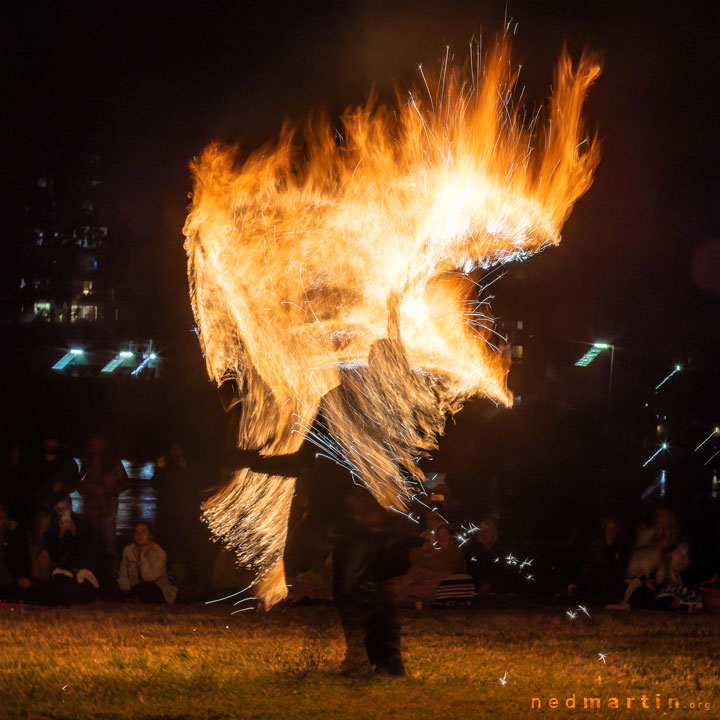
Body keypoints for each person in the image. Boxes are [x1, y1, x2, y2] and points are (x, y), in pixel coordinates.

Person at [79, 434, 129, 576]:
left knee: (109, 545)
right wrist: (87, 487)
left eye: (98, 443)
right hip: (91, 510)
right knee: (91, 544)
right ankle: (91, 577)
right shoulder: (87, 463)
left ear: (103, 444)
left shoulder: (114, 463)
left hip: (108, 509)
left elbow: (125, 483)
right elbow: (79, 484)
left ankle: (114, 578)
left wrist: (108, 488)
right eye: (93, 444)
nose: (95, 446)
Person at [385, 523, 466, 606]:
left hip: (438, 580)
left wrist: (426, 561)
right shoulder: (433, 550)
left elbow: (440, 565)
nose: (441, 538)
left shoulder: (455, 551)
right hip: (424, 577)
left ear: (451, 537)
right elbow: (414, 558)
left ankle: (409, 597)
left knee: (417, 582)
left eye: (444, 534)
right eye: (439, 535)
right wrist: (424, 551)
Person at [45, 495, 100, 605]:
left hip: (82, 569)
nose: (62, 513)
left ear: (71, 507)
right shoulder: (52, 528)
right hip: (62, 571)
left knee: (85, 588)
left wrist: (75, 533)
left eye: (65, 509)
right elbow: (55, 557)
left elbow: (88, 553)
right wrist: (60, 535)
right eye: (59, 510)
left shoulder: (83, 523)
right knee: (61, 587)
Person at [118, 522, 177, 603]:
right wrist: (123, 587)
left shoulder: (159, 553)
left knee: (148, 587)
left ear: (150, 535)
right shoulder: (128, 550)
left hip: (157, 589)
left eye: (143, 532)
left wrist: (142, 556)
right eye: (137, 533)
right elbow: (123, 573)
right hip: (135, 587)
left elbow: (149, 578)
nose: (140, 536)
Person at [569, 518, 624, 603]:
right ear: (605, 529)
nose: (611, 531)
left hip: (612, 581)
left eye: (614, 528)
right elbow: (588, 564)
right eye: (609, 528)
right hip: (598, 579)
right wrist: (577, 581)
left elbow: (620, 567)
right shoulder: (597, 545)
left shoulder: (619, 547)